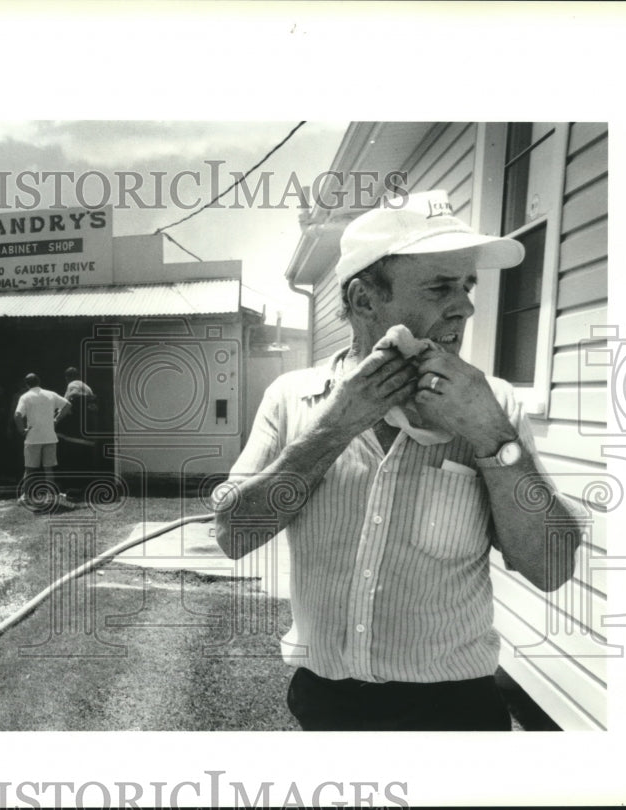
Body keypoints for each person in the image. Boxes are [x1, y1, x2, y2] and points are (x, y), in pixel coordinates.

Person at [212, 190, 583, 731]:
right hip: (326, 707)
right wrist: (337, 425)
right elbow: (232, 534)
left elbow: (551, 567)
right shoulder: (294, 398)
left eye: (467, 285)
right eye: (440, 287)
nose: (466, 307)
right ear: (365, 301)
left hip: (454, 715)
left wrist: (490, 435)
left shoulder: (495, 404)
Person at [13, 373, 71, 508]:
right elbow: (67, 405)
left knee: (29, 470)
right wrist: (56, 419)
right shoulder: (50, 394)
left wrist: (22, 430)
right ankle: (51, 496)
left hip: (33, 437)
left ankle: (26, 497)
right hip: (49, 436)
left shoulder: (25, 397)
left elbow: (17, 415)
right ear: (39, 381)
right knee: (48, 468)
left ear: (26, 384)